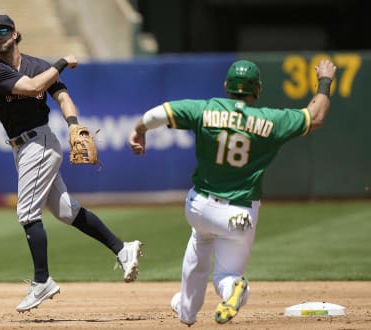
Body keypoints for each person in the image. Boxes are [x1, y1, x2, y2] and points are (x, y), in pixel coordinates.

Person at [128, 59, 336, 325]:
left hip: (199, 207)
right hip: (239, 214)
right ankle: (232, 289)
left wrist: (139, 130)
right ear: (257, 89)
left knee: (200, 241)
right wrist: (325, 80)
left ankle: (186, 310)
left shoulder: (205, 110)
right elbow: (314, 117)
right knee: (227, 275)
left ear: (226, 86)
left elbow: (161, 113)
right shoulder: (271, 120)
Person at [0, 14, 143, 313]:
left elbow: (63, 96)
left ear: (15, 34)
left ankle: (42, 280)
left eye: (2, 30)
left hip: (39, 143)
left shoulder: (38, 64)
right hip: (23, 146)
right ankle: (123, 248)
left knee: (27, 211)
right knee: (66, 210)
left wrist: (72, 124)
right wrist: (62, 63)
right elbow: (31, 88)